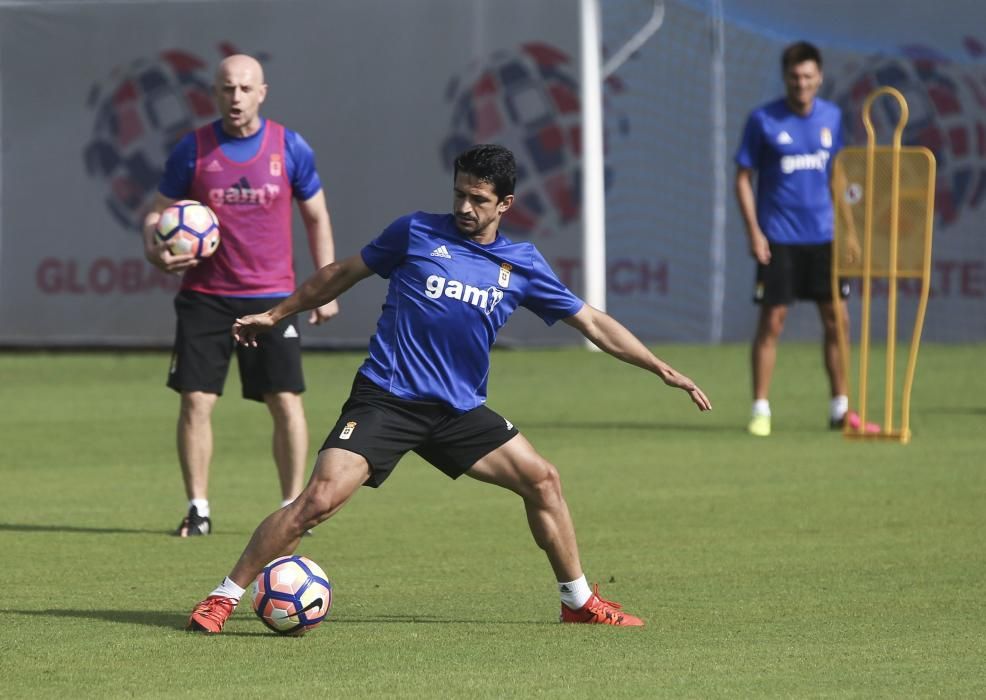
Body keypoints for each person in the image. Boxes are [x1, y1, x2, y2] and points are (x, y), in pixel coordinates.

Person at [184, 144, 712, 631]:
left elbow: (593, 323)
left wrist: (659, 366)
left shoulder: (521, 264)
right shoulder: (415, 232)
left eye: (477, 199)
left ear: (505, 203)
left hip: (457, 410)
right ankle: (223, 595)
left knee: (543, 479)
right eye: (459, 193)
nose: (464, 206)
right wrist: (276, 314)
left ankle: (578, 602)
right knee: (316, 502)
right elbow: (342, 273)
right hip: (386, 399)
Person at [142, 54, 340, 536]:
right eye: (227, 88)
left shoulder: (289, 148)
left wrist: (326, 287)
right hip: (205, 296)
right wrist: (156, 251)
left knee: (286, 401)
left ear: (262, 93)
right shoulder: (193, 150)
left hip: (272, 298)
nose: (236, 98)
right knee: (196, 401)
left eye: (245, 89)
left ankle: (294, 508)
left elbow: (317, 217)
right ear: (214, 92)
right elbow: (156, 216)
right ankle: (199, 508)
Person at [735, 41, 863, 437]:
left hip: (825, 237)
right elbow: (743, 177)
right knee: (773, 321)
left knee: (837, 320)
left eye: (808, 76)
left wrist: (851, 231)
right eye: (795, 77)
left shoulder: (832, 117)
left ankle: (840, 407)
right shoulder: (763, 120)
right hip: (779, 238)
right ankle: (761, 409)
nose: (801, 83)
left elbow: (839, 178)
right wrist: (755, 231)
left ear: (820, 77)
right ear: (785, 78)